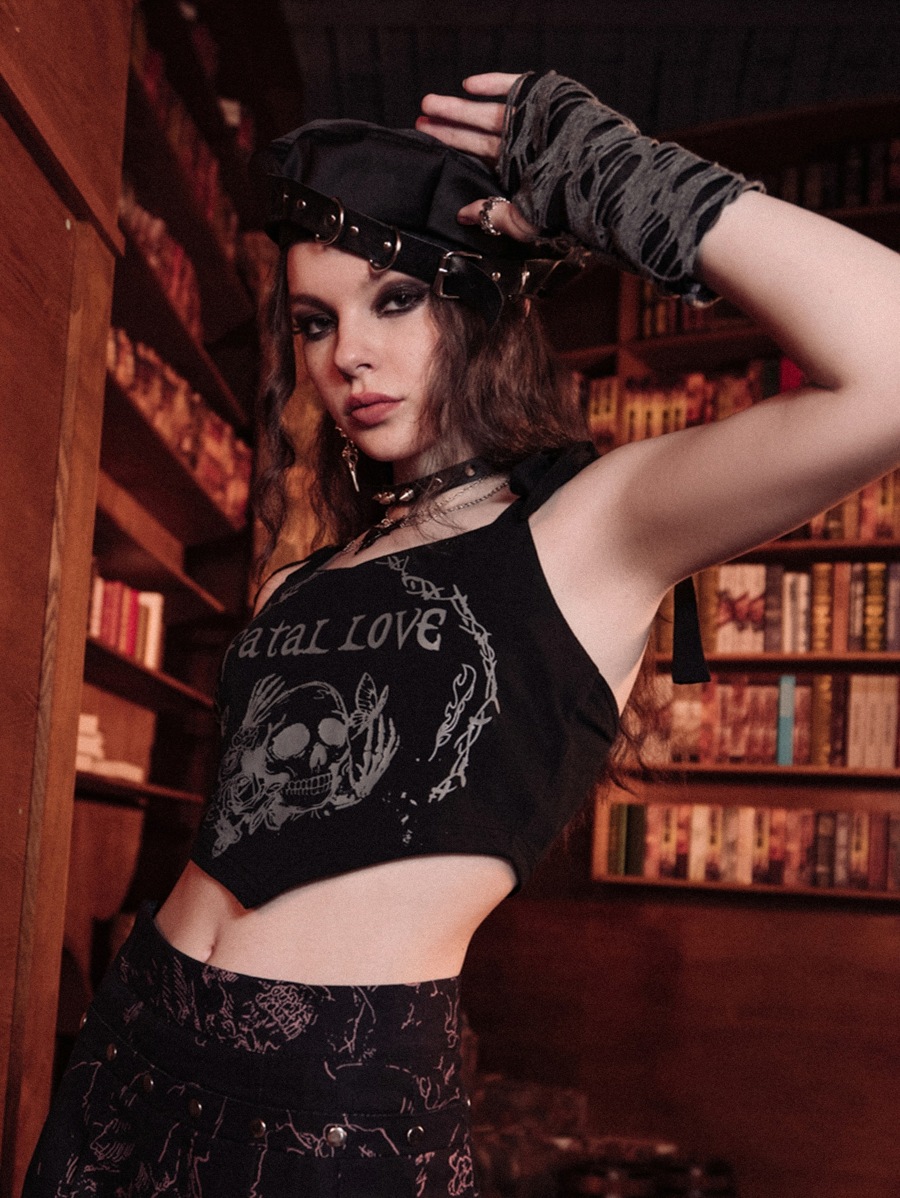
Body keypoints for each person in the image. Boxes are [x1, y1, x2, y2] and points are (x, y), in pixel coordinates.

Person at [24, 70, 900, 1197]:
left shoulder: (590, 527)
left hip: (331, 1104)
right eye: (315, 321)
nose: (346, 354)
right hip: (136, 1046)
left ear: (480, 303)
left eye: (394, 300)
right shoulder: (305, 572)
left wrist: (629, 181)